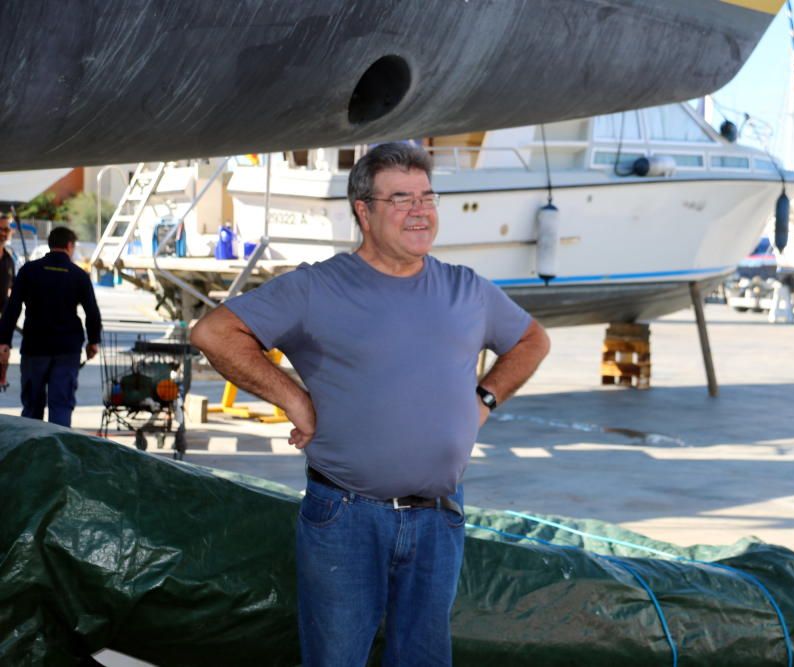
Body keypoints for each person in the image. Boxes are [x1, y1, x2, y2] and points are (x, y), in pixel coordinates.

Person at [191, 142, 550, 666]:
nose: (420, 211)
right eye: (401, 198)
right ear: (364, 210)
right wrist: (294, 398)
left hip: (439, 521)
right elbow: (215, 332)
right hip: (346, 519)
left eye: (427, 197)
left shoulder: (466, 289)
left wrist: (483, 401)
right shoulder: (319, 287)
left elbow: (532, 340)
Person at [0, 226, 102, 426]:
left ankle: (31, 453)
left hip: (35, 347)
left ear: (50, 244)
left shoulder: (29, 271)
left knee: (32, 407)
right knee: (61, 406)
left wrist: (4, 341)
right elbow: (92, 312)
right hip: (67, 349)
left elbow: (12, 308)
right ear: (70, 246)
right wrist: (93, 342)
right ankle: (57, 454)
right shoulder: (78, 275)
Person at [0, 213, 15, 314]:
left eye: (7, 230)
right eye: (2, 229)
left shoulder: (9, 258)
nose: (4, 234)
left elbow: (12, 285)